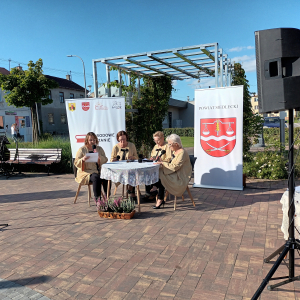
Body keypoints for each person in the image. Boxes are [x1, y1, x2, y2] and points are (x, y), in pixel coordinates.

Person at [150, 134, 192, 209]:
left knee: (161, 175)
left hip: (180, 176)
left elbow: (175, 167)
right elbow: (171, 163)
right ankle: (159, 196)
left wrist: (162, 163)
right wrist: (161, 160)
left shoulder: (181, 153)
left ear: (176, 144)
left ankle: (157, 193)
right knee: (158, 172)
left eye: (170, 144)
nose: (169, 146)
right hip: (174, 172)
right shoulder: (175, 151)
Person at [74, 132, 108, 204]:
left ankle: (107, 196)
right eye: (90, 140)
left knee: (106, 176)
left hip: (97, 170)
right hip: (86, 172)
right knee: (96, 177)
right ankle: (98, 200)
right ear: (87, 140)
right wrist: (83, 159)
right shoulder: (82, 150)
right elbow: (76, 162)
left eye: (94, 140)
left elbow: (105, 159)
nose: (93, 142)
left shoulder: (99, 149)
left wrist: (100, 157)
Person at [111, 130, 138, 199]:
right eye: (121, 140)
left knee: (133, 172)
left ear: (126, 138)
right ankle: (130, 190)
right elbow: (112, 159)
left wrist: (133, 157)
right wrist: (114, 160)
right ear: (118, 139)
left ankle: (131, 191)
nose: (122, 141)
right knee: (130, 173)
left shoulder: (131, 145)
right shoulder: (116, 147)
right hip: (120, 168)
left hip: (129, 166)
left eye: (124, 139)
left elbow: (136, 157)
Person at [145, 131, 172, 199]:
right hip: (154, 165)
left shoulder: (167, 146)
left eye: (158, 140)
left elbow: (169, 159)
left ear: (162, 138)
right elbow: (152, 155)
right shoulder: (155, 146)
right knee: (146, 173)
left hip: (163, 167)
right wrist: (152, 158)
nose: (156, 142)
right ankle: (149, 193)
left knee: (157, 173)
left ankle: (154, 190)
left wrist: (161, 160)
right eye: (155, 140)